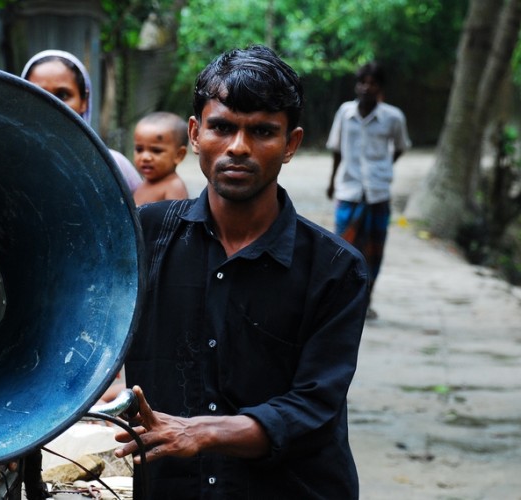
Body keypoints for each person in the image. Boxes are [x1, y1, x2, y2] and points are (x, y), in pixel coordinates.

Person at [113, 45, 369, 499]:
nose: (238, 147)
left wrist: (201, 433)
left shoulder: (334, 268)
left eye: (263, 131)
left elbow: (313, 404)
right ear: (195, 134)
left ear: (291, 143)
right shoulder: (143, 240)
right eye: (222, 127)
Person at [325, 62, 410, 319]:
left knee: (373, 251)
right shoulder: (345, 113)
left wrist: (382, 169)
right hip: (349, 191)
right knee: (342, 248)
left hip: (378, 194)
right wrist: (331, 182)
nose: (366, 87)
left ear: (380, 88)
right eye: (362, 82)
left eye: (372, 83)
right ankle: (341, 301)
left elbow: (400, 146)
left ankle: (366, 300)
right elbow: (337, 149)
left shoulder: (393, 117)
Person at [21, 50, 143, 194]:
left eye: (62, 94)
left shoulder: (113, 165)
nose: (50, 103)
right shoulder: (9, 164)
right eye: (37, 93)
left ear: (84, 101)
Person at [132, 111, 190, 206]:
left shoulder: (174, 187)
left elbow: (175, 220)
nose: (145, 157)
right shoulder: (143, 184)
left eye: (156, 151)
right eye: (139, 149)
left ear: (179, 155)